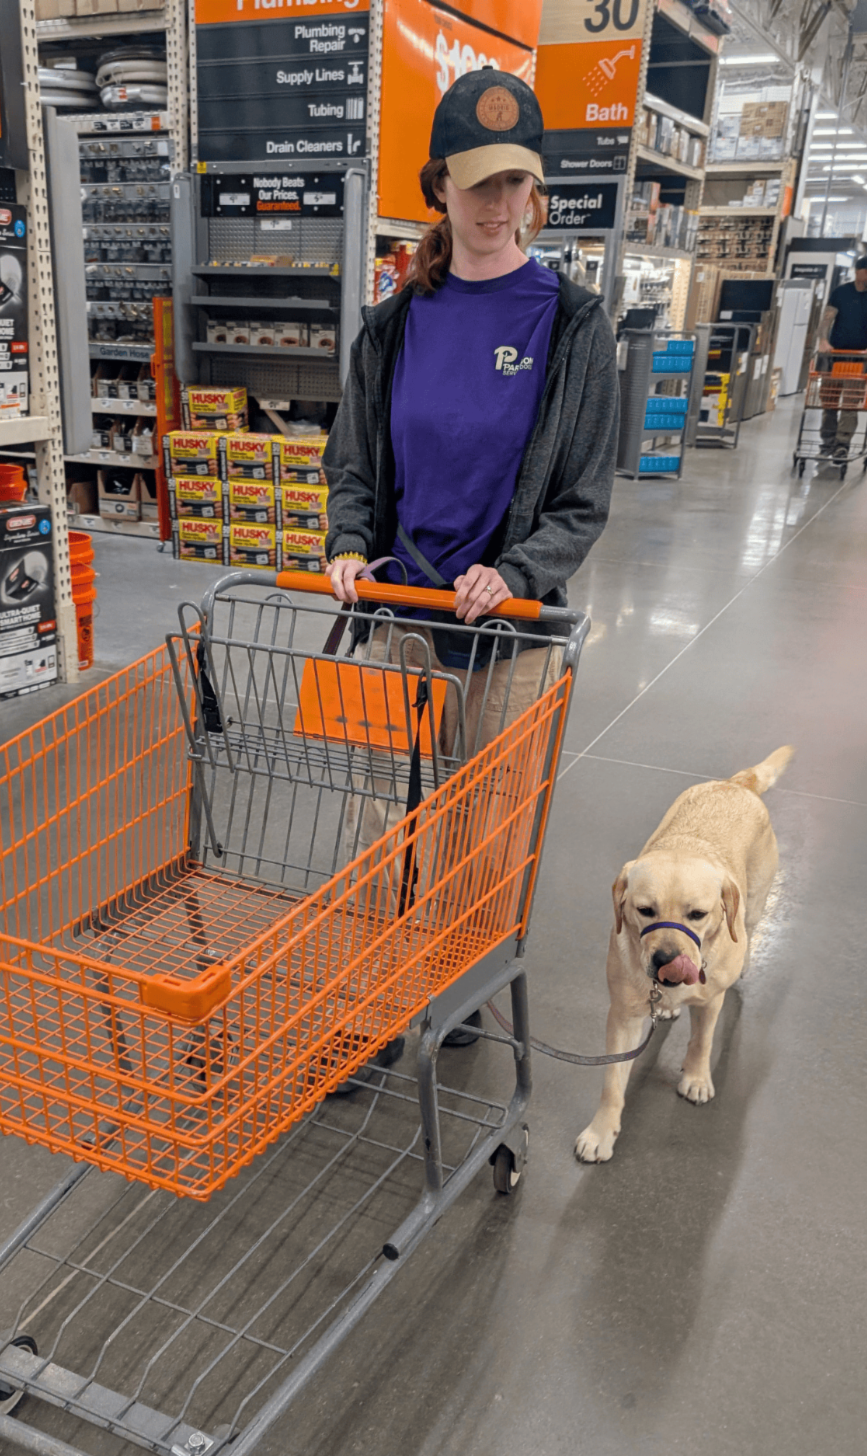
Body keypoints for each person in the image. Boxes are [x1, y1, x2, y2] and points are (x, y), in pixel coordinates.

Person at [321, 66, 618, 1068]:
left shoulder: (572, 326)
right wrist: (348, 540)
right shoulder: (394, 320)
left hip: (512, 636)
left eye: (517, 183)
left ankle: (452, 987)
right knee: (381, 821)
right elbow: (354, 459)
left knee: (482, 835)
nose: (499, 205)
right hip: (402, 613)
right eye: (478, 182)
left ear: (536, 191)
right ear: (437, 186)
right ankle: (371, 1000)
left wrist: (523, 567)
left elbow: (582, 497)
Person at [817, 254, 867, 461]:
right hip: (834, 356)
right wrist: (823, 340)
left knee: (850, 403)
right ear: (857, 271)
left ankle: (842, 444)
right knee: (829, 402)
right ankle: (827, 441)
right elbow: (826, 319)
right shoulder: (840, 292)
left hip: (858, 358)